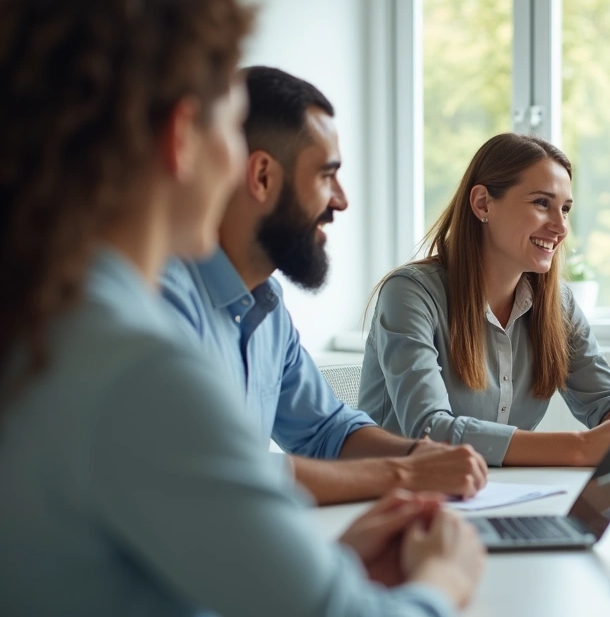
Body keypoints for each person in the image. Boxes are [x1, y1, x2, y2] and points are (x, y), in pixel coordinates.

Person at [0, 0, 484, 614]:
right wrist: (446, 576)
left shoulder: (51, 316)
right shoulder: (138, 367)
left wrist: (328, 566)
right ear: (181, 137)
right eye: (231, 127)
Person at [161, 65, 487, 505]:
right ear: (262, 177)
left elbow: (327, 431)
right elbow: (216, 468)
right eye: (325, 175)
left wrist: (422, 456)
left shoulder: (267, 308)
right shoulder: (164, 301)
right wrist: (405, 472)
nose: (342, 200)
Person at [360, 132, 610, 466]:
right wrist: (580, 447)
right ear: (482, 203)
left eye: (565, 209)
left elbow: (606, 399)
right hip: (394, 488)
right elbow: (430, 431)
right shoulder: (409, 293)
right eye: (542, 203)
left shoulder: (557, 303)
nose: (560, 227)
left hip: (499, 488)